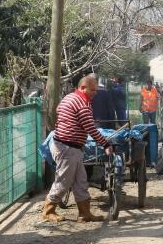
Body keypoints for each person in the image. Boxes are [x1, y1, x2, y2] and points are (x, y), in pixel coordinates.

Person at [42, 75, 112, 223]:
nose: (95, 93)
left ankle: (84, 214)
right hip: (68, 148)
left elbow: (58, 109)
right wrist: (105, 144)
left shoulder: (69, 97)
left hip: (69, 146)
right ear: (82, 88)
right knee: (64, 182)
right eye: (92, 90)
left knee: (81, 181)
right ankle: (48, 210)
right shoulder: (82, 104)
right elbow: (91, 128)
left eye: (96, 90)